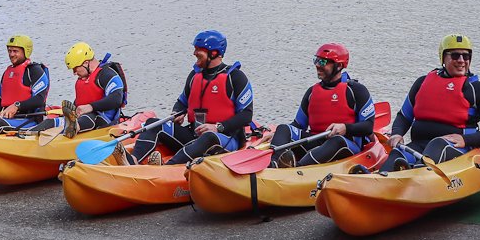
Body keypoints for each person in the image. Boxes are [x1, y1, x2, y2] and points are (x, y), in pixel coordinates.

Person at [121, 30, 254, 165]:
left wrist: (218, 127)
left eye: (198, 50)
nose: (194, 53)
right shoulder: (194, 76)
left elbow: (246, 115)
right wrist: (176, 113)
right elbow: (182, 102)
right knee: (152, 123)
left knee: (208, 137)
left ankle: (167, 168)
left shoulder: (235, 77)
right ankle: (133, 161)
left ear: (213, 53)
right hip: (194, 135)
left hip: (225, 138)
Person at [385, 34, 480, 171]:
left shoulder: (478, 90)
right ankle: (379, 179)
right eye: (455, 56)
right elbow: (404, 116)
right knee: (398, 153)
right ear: (443, 58)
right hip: (420, 145)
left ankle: (417, 175)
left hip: (457, 149)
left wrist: (466, 140)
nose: (461, 60)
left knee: (438, 144)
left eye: (466, 56)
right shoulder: (422, 83)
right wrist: (397, 134)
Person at [269, 43, 377, 170]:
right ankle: (273, 164)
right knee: (283, 128)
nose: (317, 65)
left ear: (339, 65)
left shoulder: (356, 91)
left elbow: (368, 126)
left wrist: (345, 128)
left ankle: (297, 168)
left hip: (345, 145)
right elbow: (298, 125)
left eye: (323, 61)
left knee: (337, 140)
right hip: (315, 141)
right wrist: (277, 135)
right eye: (316, 60)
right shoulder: (312, 92)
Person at [35, 42, 125, 138]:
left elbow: (117, 98)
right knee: (49, 122)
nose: (74, 73)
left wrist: (90, 107)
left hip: (103, 120)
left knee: (89, 117)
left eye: (75, 68)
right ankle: (25, 136)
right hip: (82, 118)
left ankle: (73, 128)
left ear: (86, 63)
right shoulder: (84, 78)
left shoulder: (107, 74)